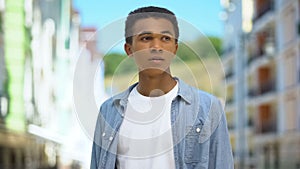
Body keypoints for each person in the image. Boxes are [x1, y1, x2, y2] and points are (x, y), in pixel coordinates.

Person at [90, 6, 233, 169]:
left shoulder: (208, 108)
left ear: (175, 48)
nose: (156, 46)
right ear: (129, 49)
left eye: (165, 38)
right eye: (146, 38)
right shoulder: (109, 111)